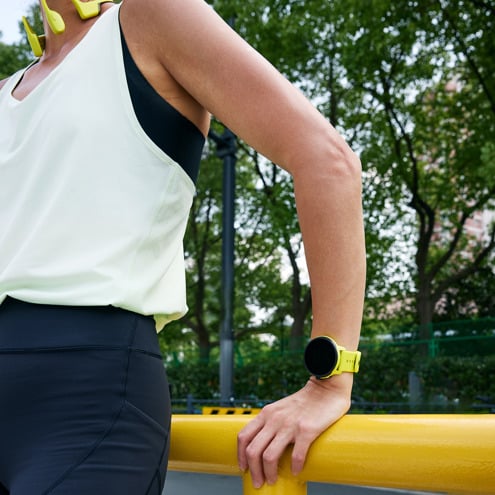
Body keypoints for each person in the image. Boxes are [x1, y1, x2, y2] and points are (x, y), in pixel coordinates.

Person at [0, 0, 366, 493]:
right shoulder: (6, 93)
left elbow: (328, 161)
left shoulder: (149, 17)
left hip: (87, 401)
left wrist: (331, 380)